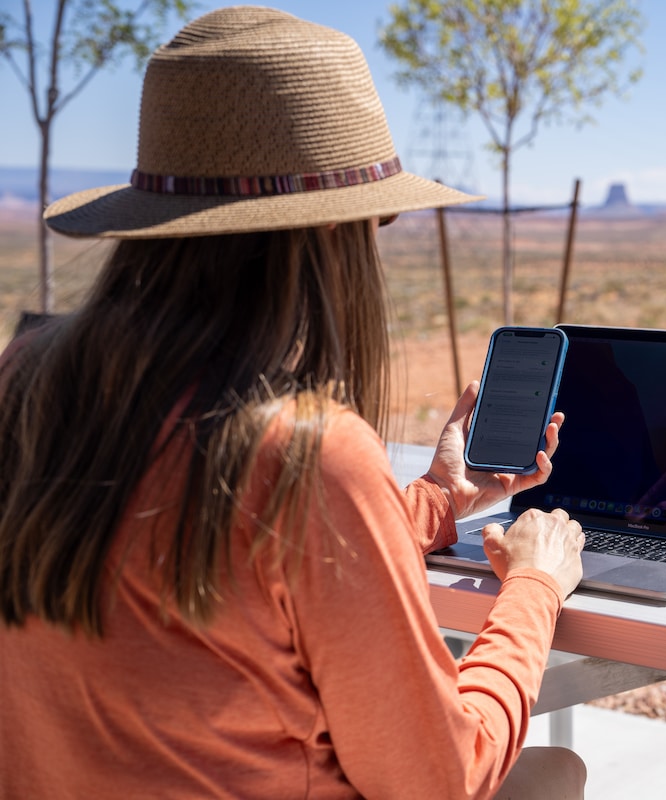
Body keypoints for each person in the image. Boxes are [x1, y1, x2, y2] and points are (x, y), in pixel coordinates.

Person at [0, 6, 586, 799]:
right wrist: (536, 587)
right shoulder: (305, 453)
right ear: (326, 238)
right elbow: (442, 776)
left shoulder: (28, 383)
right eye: (374, 219)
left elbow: (256, 558)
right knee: (554, 772)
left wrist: (444, 498)